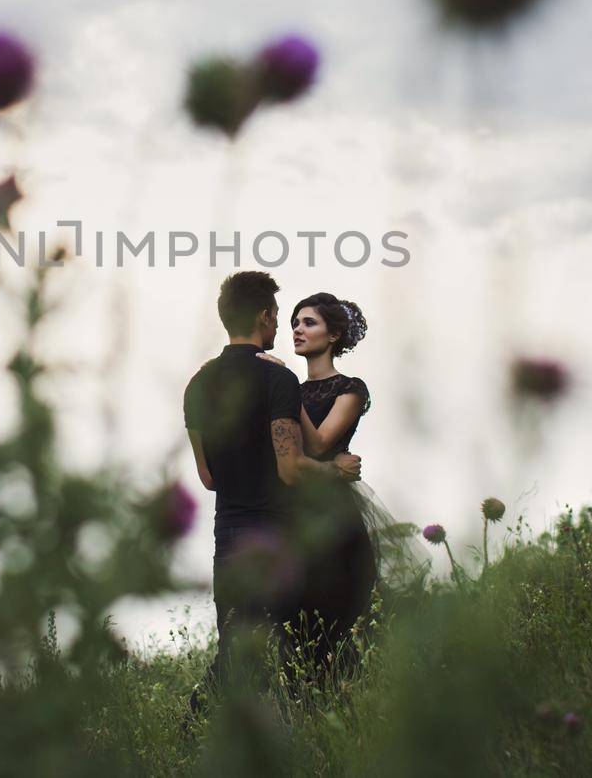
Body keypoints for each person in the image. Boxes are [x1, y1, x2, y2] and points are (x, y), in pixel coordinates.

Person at [183, 271, 361, 717]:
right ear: (264, 316)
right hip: (276, 534)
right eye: (280, 316)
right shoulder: (275, 379)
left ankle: (195, 727)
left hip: (228, 533)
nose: (283, 327)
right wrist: (334, 470)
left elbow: (207, 477)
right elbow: (291, 468)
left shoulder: (198, 385)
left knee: (235, 647)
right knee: (295, 644)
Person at [260, 292, 432, 682]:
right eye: (294, 323)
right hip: (291, 509)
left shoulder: (351, 389)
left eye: (309, 323)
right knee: (294, 621)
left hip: (334, 513)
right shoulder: (290, 391)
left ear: (334, 334)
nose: (297, 330)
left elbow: (320, 444)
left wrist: (284, 385)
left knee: (338, 616)